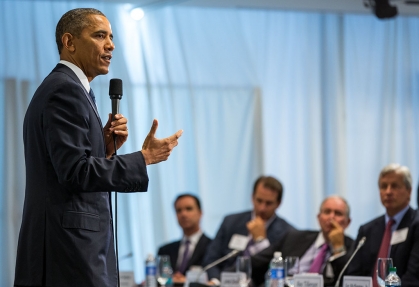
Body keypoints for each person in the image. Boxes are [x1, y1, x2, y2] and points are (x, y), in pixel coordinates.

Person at [14, 8, 183, 287]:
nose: (111, 45)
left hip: (68, 248)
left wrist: (103, 150)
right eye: (99, 35)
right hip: (67, 252)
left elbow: (65, 165)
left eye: (112, 37)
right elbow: (74, 172)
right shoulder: (64, 90)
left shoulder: (72, 89)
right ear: (69, 42)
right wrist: (144, 158)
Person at [347, 163, 419, 287]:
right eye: (383, 186)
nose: (388, 192)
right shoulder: (367, 230)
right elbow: (354, 274)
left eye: (395, 186)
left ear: (409, 191)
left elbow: (413, 276)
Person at [202, 176, 295, 283]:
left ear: (278, 203)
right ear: (252, 197)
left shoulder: (287, 233)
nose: (262, 208)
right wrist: (217, 281)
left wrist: (261, 241)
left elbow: (279, 273)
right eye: (259, 200)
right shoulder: (231, 222)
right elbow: (211, 260)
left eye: (268, 203)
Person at [250, 195, 354, 287]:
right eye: (327, 212)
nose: (331, 217)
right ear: (319, 217)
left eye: (338, 213)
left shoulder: (355, 248)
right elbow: (255, 263)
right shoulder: (293, 237)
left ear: (347, 222)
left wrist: (338, 249)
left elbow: (348, 280)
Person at [157, 194, 212, 283]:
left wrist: (186, 280)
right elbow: (160, 279)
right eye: (179, 210)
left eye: (189, 209)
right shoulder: (165, 250)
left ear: (200, 213)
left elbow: (215, 278)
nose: (183, 214)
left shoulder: (213, 247)